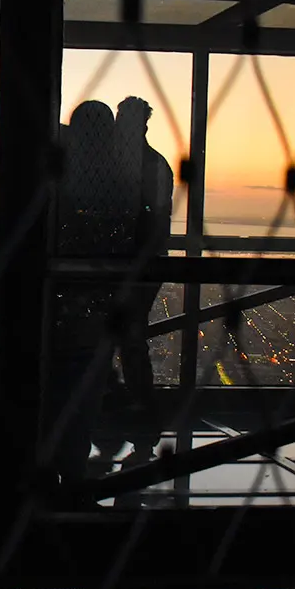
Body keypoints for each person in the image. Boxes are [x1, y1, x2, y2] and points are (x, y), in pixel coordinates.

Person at [47, 100, 140, 488]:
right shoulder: (122, 180)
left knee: (57, 386)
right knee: (85, 390)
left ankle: (53, 466)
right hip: (100, 305)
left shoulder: (61, 177)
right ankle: (72, 466)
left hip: (60, 303)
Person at [114, 96, 174, 463]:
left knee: (127, 339)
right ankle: (141, 419)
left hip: (132, 265)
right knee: (132, 340)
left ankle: (137, 414)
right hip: (143, 265)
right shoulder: (155, 165)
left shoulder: (132, 166)